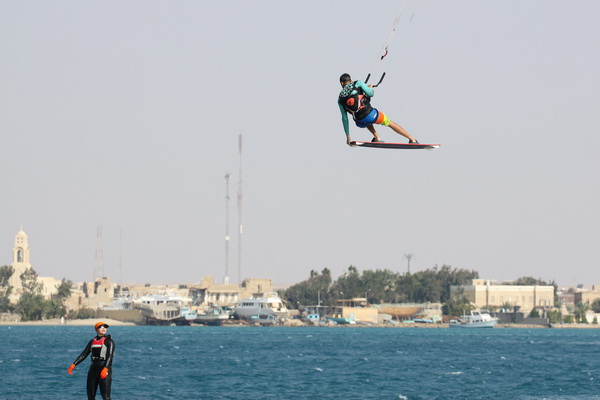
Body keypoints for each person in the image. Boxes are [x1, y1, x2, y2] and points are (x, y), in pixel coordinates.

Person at [338, 73, 418, 146]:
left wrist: (348, 136)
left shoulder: (340, 98)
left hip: (359, 121)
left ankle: (377, 137)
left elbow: (344, 118)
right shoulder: (358, 83)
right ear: (351, 80)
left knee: (366, 121)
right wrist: (370, 88)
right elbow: (371, 94)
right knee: (389, 122)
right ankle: (412, 139)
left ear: (342, 83)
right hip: (371, 114)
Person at [68, 321, 116, 400]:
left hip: (104, 367)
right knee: (90, 395)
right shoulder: (92, 341)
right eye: (101, 327)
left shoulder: (109, 341)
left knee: (105, 396)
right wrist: (74, 364)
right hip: (93, 368)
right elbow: (84, 354)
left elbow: (109, 357)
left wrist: (105, 368)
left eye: (105, 327)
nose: (103, 329)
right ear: (96, 329)